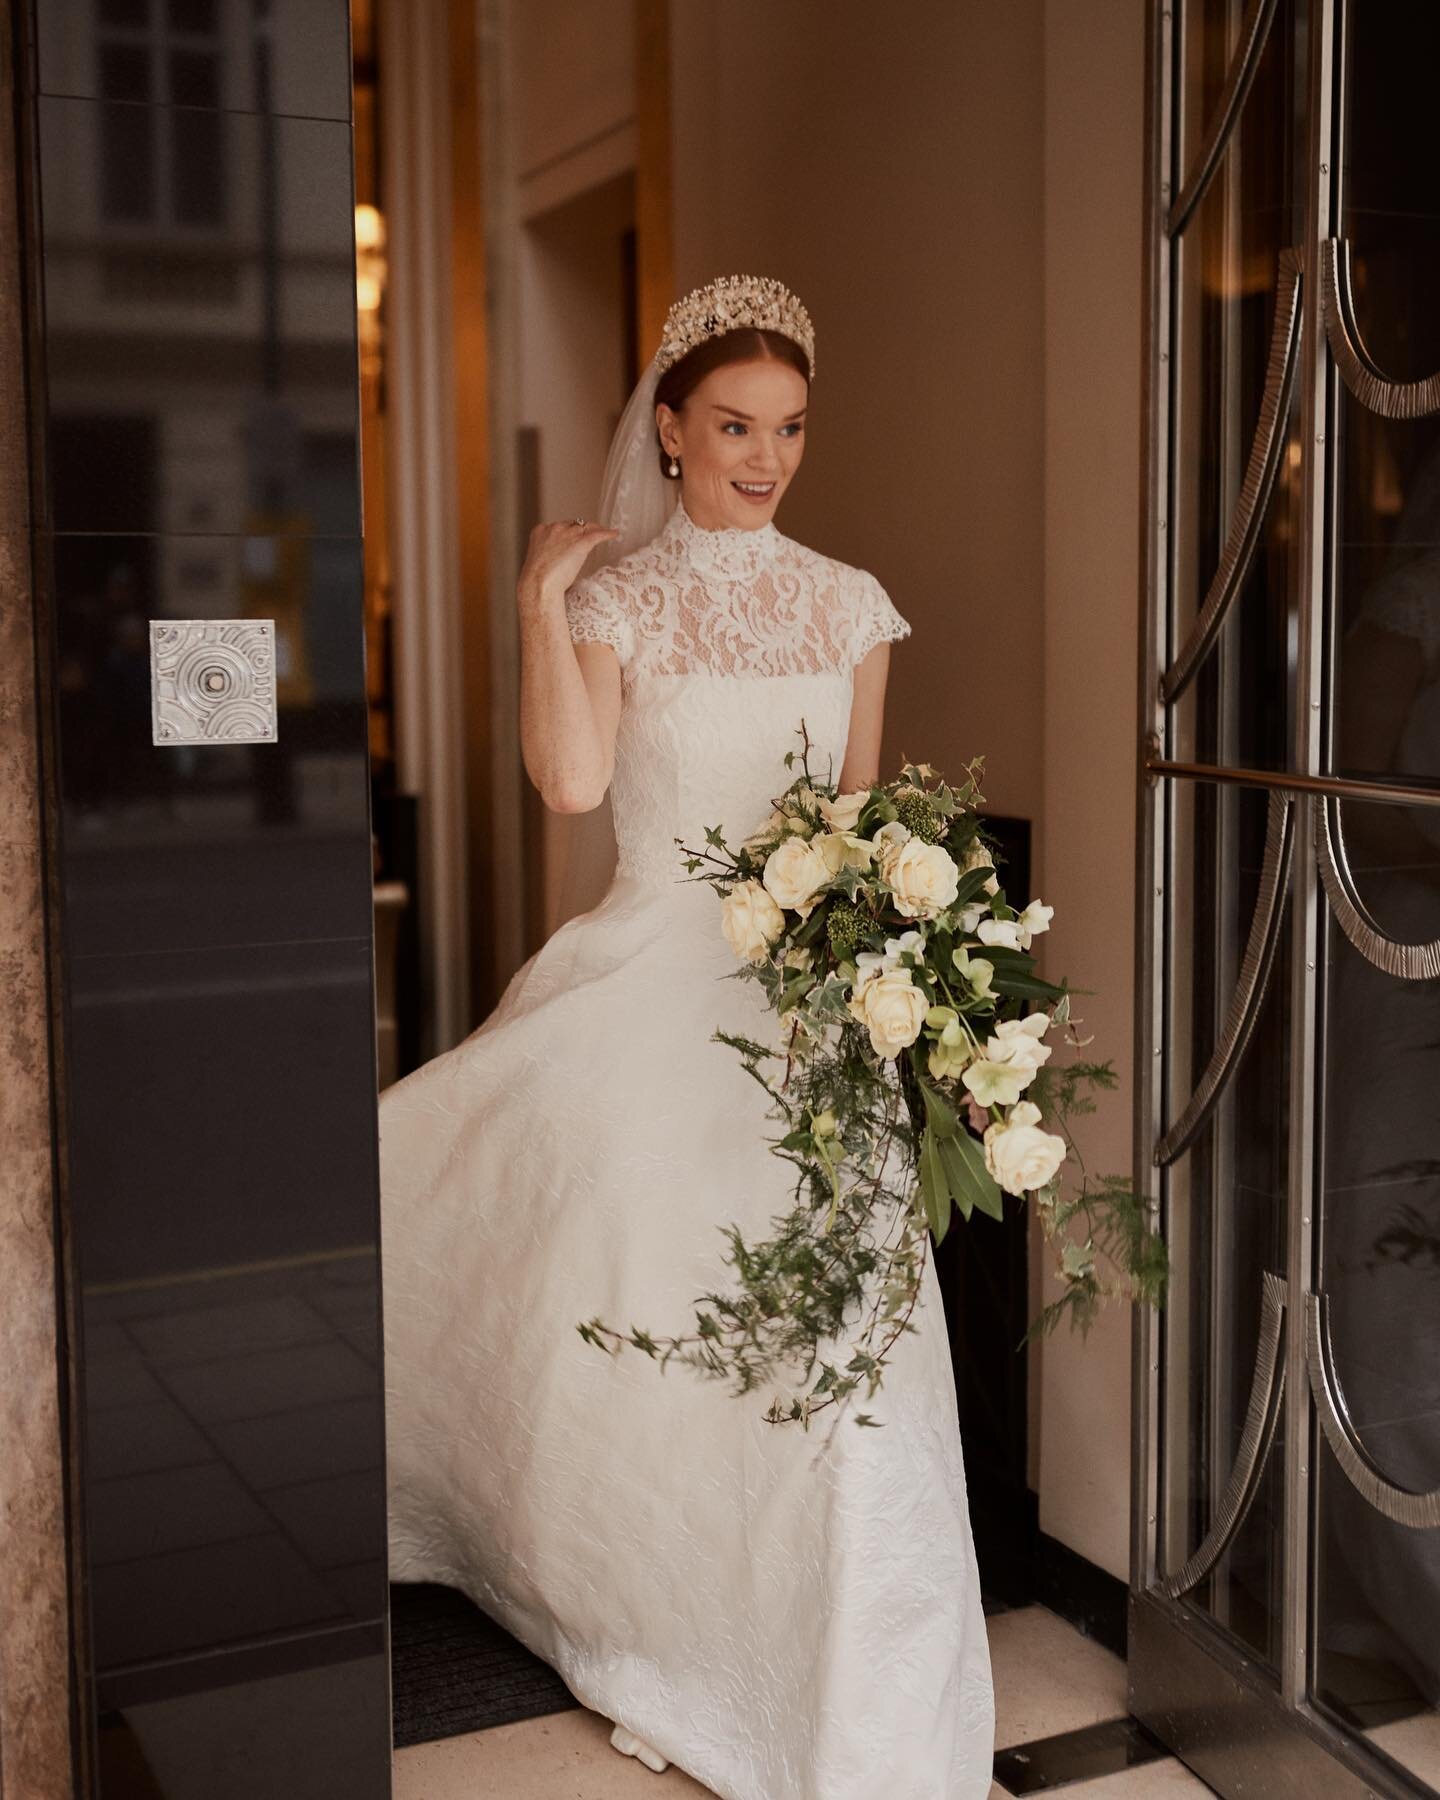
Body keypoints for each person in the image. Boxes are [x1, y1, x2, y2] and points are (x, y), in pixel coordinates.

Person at [380, 274, 995, 1799]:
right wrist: (541, 604)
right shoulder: (621, 598)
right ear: (669, 426)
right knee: (659, 1312)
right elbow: (575, 789)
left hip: (807, 1009)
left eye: (787, 427)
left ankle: (859, 1693)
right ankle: (654, 1609)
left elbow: (860, 821)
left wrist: (895, 975)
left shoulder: (851, 604)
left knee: (841, 1342)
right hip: (655, 969)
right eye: (733, 423)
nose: (764, 455)